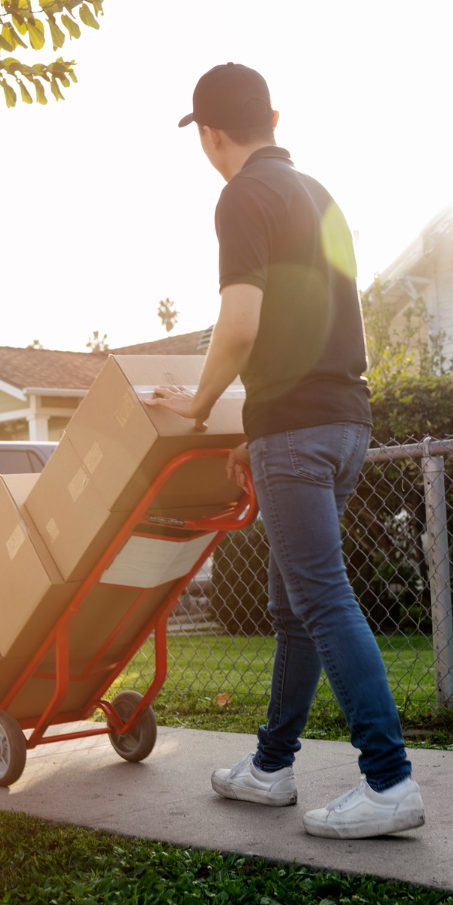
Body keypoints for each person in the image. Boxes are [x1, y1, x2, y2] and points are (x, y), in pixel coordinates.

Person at [150, 63, 423, 839]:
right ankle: (272, 767)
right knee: (295, 605)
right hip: (343, 422)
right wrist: (250, 431)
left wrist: (201, 406)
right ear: (274, 116)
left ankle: (389, 779)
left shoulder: (242, 196)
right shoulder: (318, 194)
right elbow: (312, 326)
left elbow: (240, 325)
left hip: (298, 432)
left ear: (209, 134)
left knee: (323, 599)